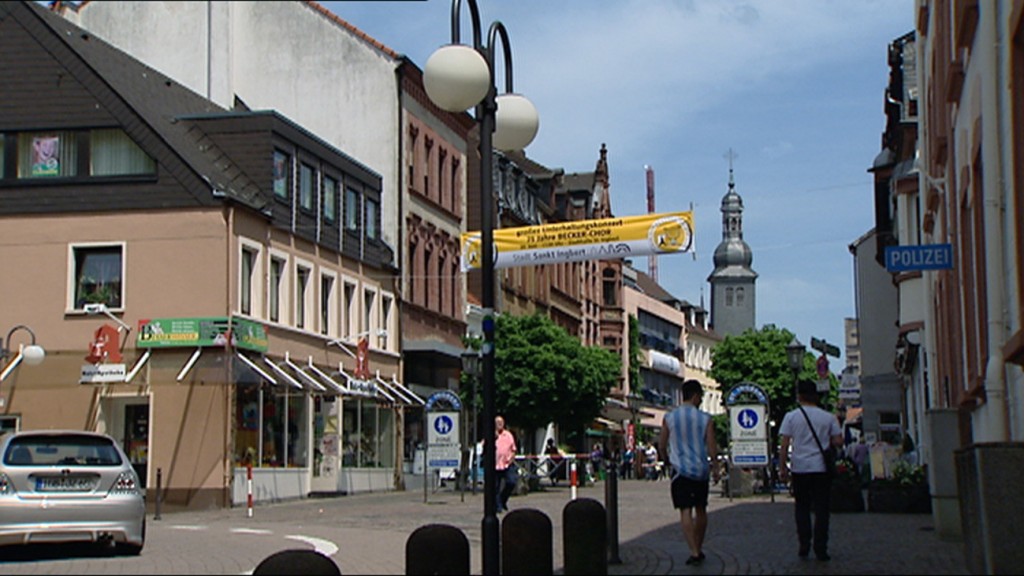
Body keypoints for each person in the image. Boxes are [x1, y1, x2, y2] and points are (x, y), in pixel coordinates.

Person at [778, 379, 843, 562]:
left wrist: (782, 468)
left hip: (800, 468)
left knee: (802, 508)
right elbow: (838, 441)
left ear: (799, 396)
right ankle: (821, 548)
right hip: (821, 468)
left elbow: (784, 446)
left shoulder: (791, 417)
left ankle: (804, 544)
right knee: (822, 509)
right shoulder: (828, 417)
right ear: (815, 396)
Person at [658, 379, 719, 566]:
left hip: (680, 470)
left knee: (685, 510)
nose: (701, 401)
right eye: (700, 397)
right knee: (701, 509)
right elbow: (711, 446)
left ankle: (693, 551)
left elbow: (662, 443)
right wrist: (715, 466)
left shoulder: (669, 418)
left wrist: (665, 458)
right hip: (700, 470)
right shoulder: (705, 418)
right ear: (695, 396)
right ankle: (698, 547)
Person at [494, 415, 517, 513]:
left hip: (507, 464)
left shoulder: (508, 435)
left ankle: (503, 500)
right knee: (495, 487)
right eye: (498, 423)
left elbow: (513, 449)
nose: (500, 424)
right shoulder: (491, 435)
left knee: (511, 482)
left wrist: (511, 458)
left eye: (501, 422)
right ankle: (498, 506)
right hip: (495, 465)